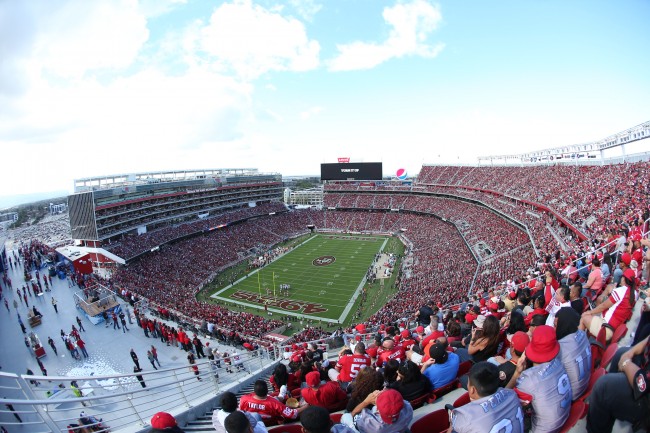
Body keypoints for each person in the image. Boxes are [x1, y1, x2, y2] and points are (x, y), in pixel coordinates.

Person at [507, 325, 571, 433]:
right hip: (565, 417)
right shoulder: (559, 363)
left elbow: (507, 404)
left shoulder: (528, 379)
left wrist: (517, 373)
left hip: (544, 429)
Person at [586, 336, 650, 433]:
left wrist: (626, 363)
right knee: (621, 353)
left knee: (603, 388)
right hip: (644, 370)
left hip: (646, 396)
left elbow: (642, 384)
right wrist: (630, 353)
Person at [450, 362, 524, 433]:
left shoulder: (465, 416)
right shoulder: (512, 394)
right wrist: (517, 372)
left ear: (473, 390)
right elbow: (506, 391)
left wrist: (451, 424)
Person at [579, 268, 636, 341]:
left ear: (624, 279)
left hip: (606, 329)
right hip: (611, 327)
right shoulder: (632, 293)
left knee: (583, 317)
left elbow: (603, 306)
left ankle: (579, 345)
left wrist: (590, 312)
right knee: (589, 316)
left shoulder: (622, 291)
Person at [555, 307, 591, 400]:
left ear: (563, 325)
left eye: (556, 326)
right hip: (585, 384)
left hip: (573, 395)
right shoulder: (582, 334)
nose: (554, 328)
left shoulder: (561, 348)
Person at [341, 388, 413, 433]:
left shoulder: (369, 422)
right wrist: (386, 397)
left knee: (346, 416)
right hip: (399, 427)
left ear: (378, 409)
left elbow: (353, 414)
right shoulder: (408, 409)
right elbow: (397, 402)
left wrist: (366, 401)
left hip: (371, 428)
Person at [239, 380, 307, 424]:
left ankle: (281, 395)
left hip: (253, 424)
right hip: (273, 423)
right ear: (267, 391)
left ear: (254, 391)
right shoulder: (275, 403)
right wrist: (307, 405)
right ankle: (282, 394)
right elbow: (292, 414)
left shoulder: (243, 399)